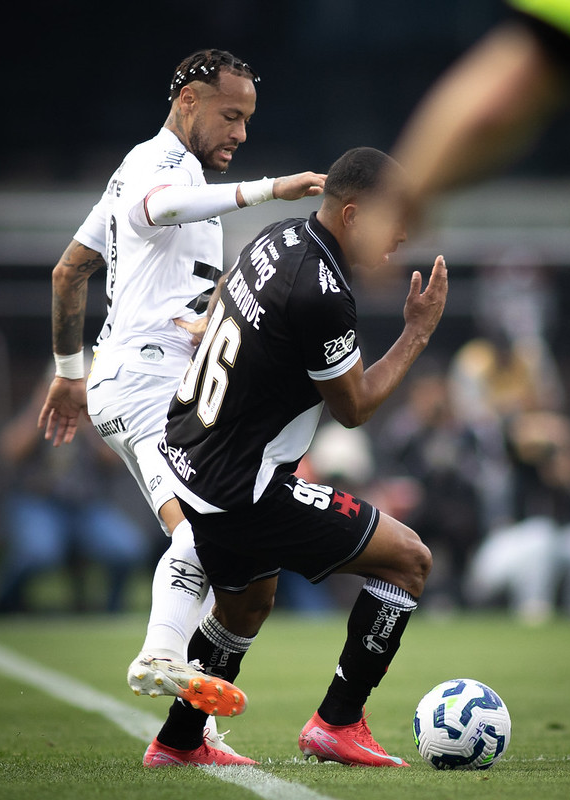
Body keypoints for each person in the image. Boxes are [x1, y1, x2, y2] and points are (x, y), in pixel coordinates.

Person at [364, 0, 570, 763]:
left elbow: (507, 89)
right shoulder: (480, 378)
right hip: (485, 539)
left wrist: (402, 196)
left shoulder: (518, 372)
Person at [37, 47, 325, 760]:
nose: (241, 133)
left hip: (133, 376)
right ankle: (162, 654)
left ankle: (190, 730)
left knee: (215, 536)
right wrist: (271, 190)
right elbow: (158, 209)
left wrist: (70, 372)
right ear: (189, 101)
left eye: (249, 120)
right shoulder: (159, 167)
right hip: (146, 384)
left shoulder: (166, 171)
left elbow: (70, 270)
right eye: (231, 115)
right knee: (206, 531)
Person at [143, 146, 447, 768]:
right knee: (409, 561)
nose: (401, 237)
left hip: (194, 460)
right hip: (243, 488)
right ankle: (338, 722)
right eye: (393, 222)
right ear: (356, 214)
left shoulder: (279, 235)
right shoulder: (321, 290)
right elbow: (354, 407)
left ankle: (177, 741)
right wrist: (416, 332)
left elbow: (232, 289)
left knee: (247, 605)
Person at [0, 369, 148, 614]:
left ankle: (111, 612)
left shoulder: (95, 414)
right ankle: (7, 605)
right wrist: (40, 409)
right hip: (38, 503)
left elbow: (113, 459)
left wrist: (89, 421)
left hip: (87, 508)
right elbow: (9, 451)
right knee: (38, 552)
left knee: (127, 548)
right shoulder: (39, 410)